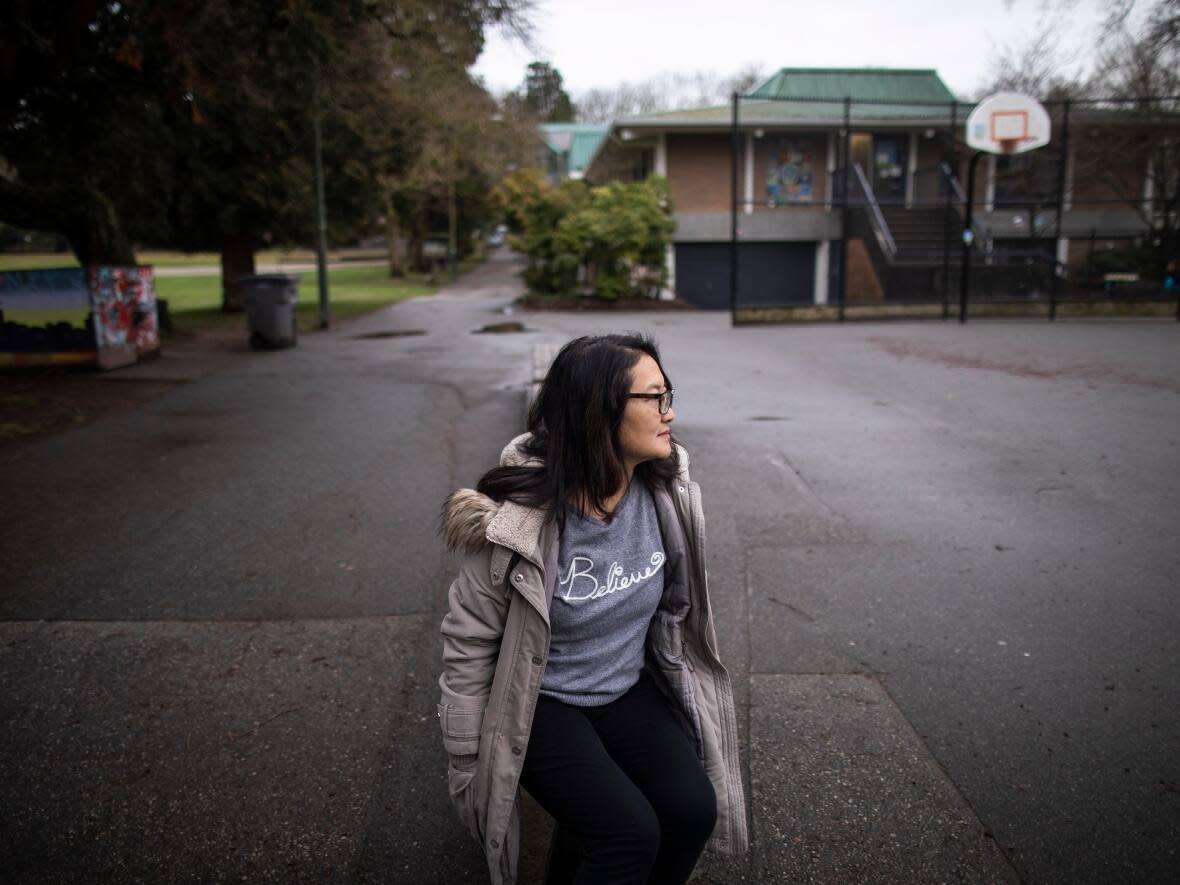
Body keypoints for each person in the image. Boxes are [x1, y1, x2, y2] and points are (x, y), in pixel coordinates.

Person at [437, 334, 748, 885]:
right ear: (598, 412)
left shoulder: (665, 494)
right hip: (543, 702)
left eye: (667, 393)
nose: (669, 411)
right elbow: (468, 642)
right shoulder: (517, 525)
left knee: (692, 811)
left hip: (625, 686)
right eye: (653, 398)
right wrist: (467, 755)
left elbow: (677, 613)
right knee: (627, 834)